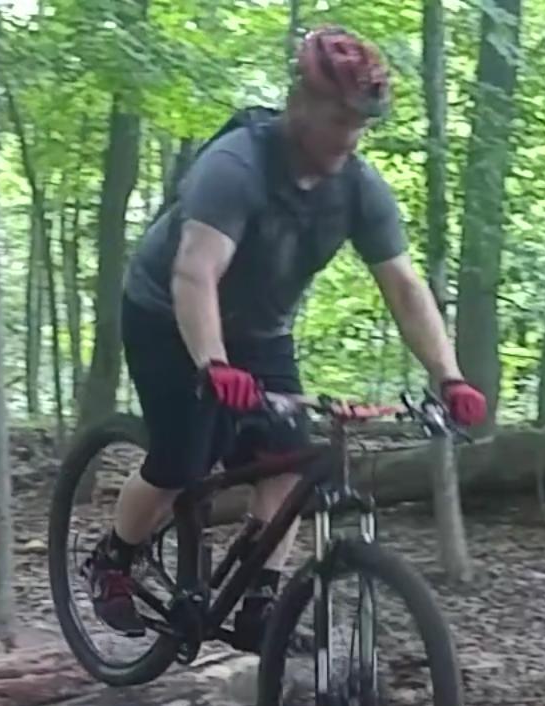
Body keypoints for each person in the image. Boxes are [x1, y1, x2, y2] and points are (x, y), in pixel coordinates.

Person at [86, 24, 487, 643]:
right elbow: (196, 272)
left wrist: (449, 376)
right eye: (338, 118)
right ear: (301, 100)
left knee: (289, 462)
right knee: (182, 458)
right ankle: (112, 559)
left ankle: (258, 603)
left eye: (360, 125)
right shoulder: (236, 166)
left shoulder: (358, 187)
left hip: (262, 332)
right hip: (168, 315)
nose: (348, 137)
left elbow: (405, 288)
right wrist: (213, 365)